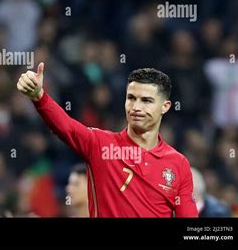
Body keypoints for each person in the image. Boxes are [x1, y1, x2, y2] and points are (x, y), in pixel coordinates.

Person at [17, 63, 198, 217]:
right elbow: (66, 127)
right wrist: (39, 97)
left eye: (146, 101)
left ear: (164, 107)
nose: (136, 107)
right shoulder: (100, 145)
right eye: (131, 98)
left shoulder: (178, 164)